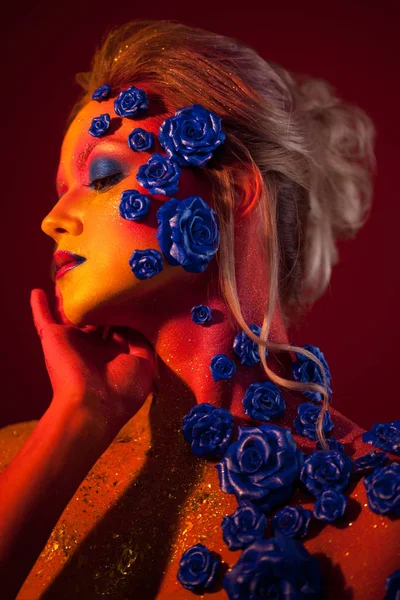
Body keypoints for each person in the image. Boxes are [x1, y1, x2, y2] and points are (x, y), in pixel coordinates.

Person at [0, 18, 399, 600]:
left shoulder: (376, 508)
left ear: (232, 192)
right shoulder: (16, 462)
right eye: (61, 188)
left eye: (104, 174)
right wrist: (74, 423)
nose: (52, 218)